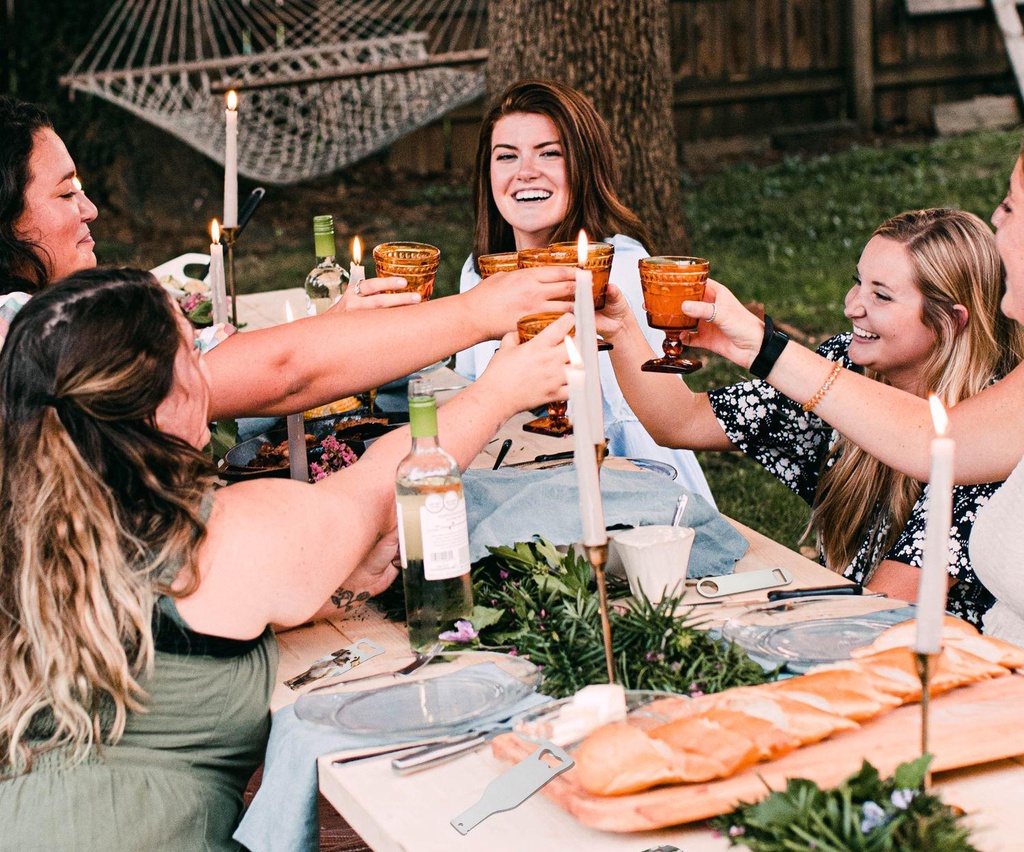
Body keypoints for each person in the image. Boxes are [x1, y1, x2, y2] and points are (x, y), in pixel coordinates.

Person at [0, 267, 571, 852]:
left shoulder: (29, 540)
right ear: (170, 397)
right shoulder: (213, 537)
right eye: (192, 354)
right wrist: (501, 390)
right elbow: (377, 485)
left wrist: (311, 562)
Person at [0, 94, 577, 418]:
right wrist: (476, 313)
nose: (91, 209)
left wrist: (337, 328)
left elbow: (227, 353)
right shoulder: (18, 330)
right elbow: (275, 375)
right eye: (65, 191)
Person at [599, 208, 1024, 626]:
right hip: (837, 627)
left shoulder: (988, 440)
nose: (852, 306)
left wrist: (711, 614)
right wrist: (619, 326)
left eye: (881, 295)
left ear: (950, 322)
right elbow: (680, 421)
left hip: (929, 666)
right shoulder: (846, 368)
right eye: (858, 282)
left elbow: (882, 608)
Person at [453, 79, 715, 504]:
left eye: (550, 153)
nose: (525, 172)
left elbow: (631, 425)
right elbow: (468, 387)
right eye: (507, 156)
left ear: (585, 165)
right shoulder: (480, 273)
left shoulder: (619, 270)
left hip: (623, 486)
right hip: (509, 471)